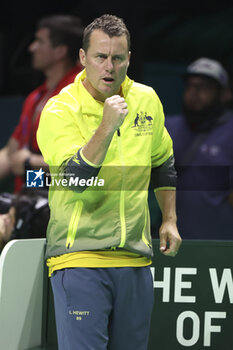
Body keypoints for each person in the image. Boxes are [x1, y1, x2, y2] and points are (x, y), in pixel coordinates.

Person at [37, 14, 182, 350]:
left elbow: (163, 161)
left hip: (135, 260)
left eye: (118, 58)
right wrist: (106, 126)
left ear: (129, 59)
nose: (110, 67)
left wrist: (170, 218)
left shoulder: (146, 100)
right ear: (83, 58)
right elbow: (74, 179)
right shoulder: (59, 111)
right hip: (80, 259)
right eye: (101, 57)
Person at [0, 14, 83, 192]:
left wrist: (31, 162)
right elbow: (11, 152)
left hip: (68, 206)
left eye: (39, 41)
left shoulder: (82, 92)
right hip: (35, 201)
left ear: (60, 51)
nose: (32, 48)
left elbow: (88, 160)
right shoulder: (35, 98)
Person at [165, 57, 233, 240]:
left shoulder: (229, 133)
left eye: (204, 87)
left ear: (224, 94)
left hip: (219, 245)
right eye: (191, 86)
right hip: (171, 240)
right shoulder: (167, 128)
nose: (195, 93)